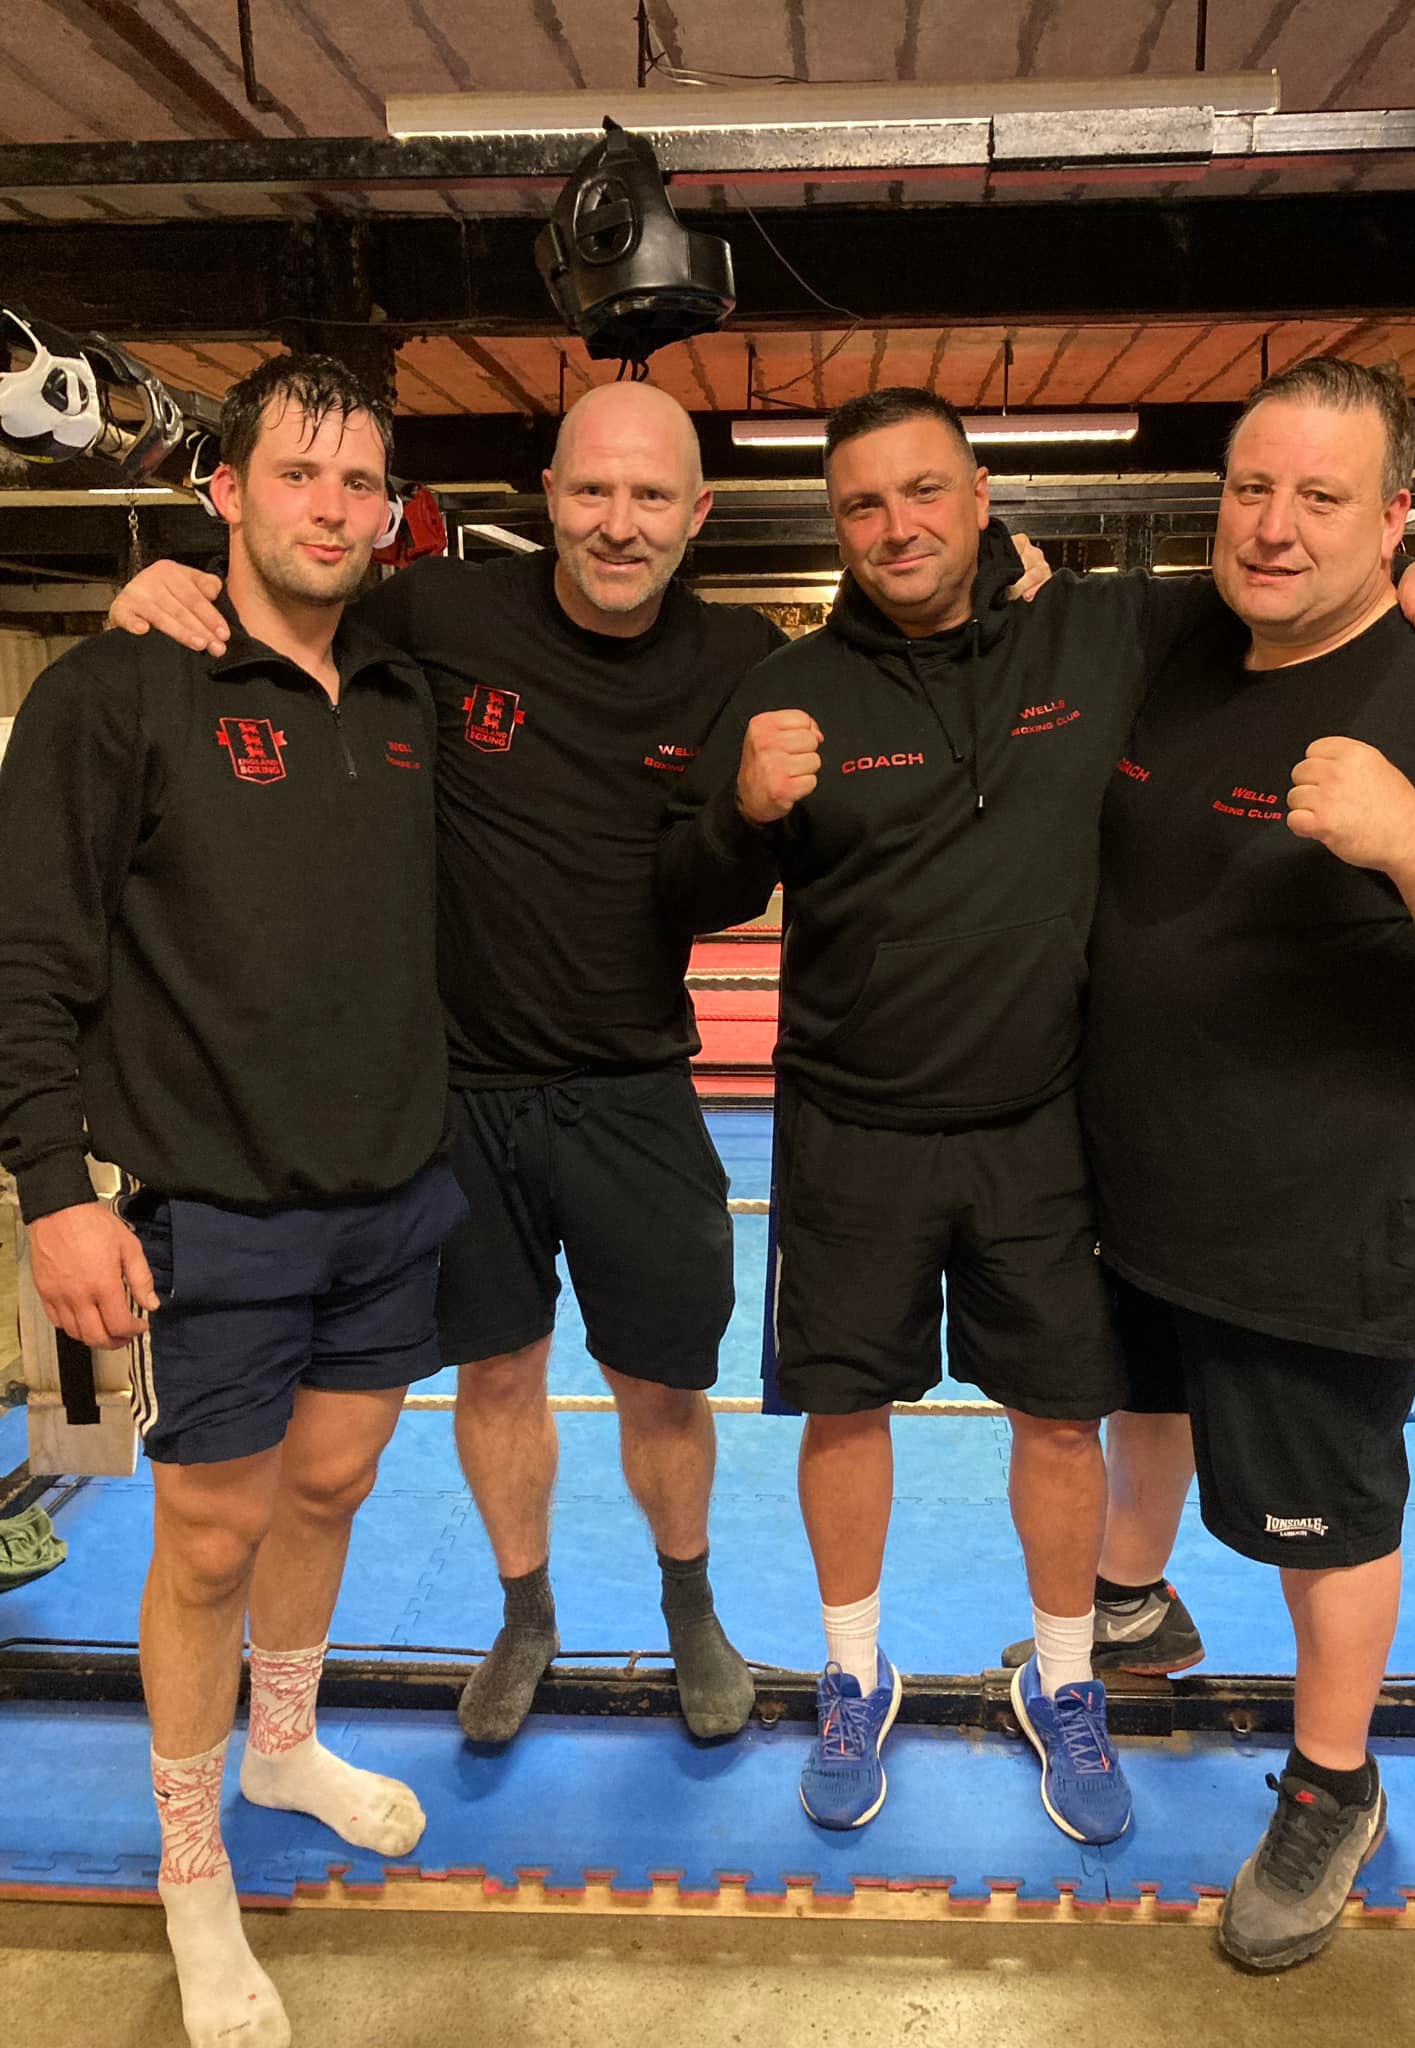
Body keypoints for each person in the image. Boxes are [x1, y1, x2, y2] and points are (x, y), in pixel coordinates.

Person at [655, 385, 1415, 1848]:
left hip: (1044, 1124)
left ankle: (1067, 1680)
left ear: (985, 500)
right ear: (835, 525)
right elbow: (688, 887)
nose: (898, 526)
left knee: (1061, 1422)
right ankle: (855, 1674)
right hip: (851, 1126)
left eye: (927, 491)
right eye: (863, 505)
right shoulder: (792, 687)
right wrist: (741, 811)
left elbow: (1297, 588)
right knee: (843, 1414)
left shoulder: (1103, 631)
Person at [109, 381, 787, 1745]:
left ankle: (690, 1605)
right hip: (460, 1097)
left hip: (634, 1086)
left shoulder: (742, 655)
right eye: (591, 491)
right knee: (498, 1372)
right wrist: (167, 588)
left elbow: (726, 860)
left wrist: (1011, 591)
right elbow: (291, 601)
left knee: (665, 1382)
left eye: (651, 496)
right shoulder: (441, 615)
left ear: (697, 514)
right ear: (549, 497)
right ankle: (525, 1612)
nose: (618, 522)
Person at [0, 354, 466, 2048]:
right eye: (297, 475)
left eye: (360, 483)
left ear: (392, 510)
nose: (331, 510)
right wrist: (53, 1193)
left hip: (393, 1191)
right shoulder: (120, 690)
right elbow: (27, 955)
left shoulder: (406, 686)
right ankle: (190, 1862)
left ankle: (283, 1746)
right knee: (207, 1538)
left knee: (331, 1485)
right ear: (226, 492)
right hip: (209, 1200)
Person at [1079, 356, 1415, 1970]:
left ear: (1395, 519)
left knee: (1324, 1514)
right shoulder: (1183, 647)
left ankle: (1333, 1780)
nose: (1273, 528)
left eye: (1321, 499)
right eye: (1252, 490)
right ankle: (1132, 1609)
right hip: (1148, 1180)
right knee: (1139, 1407)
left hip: (1326, 1219)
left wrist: (1412, 835)